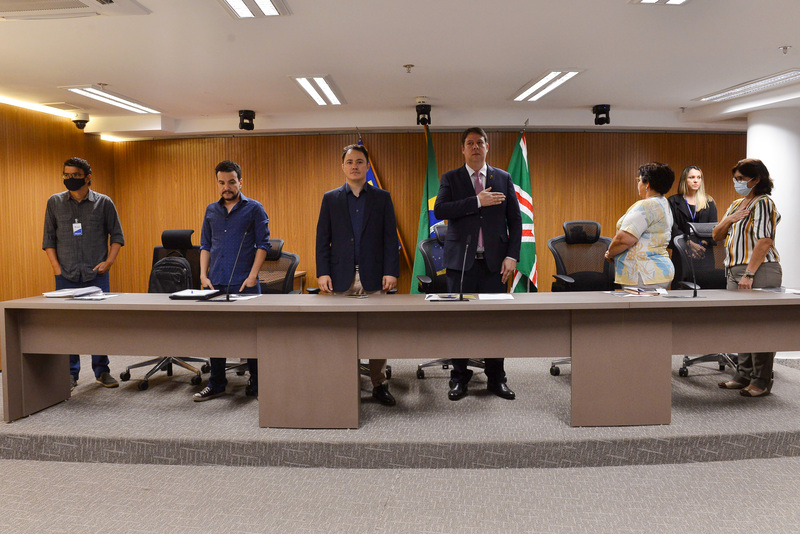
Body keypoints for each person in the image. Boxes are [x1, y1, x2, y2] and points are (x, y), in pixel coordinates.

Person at [433, 127, 522, 401]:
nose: (475, 147)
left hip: (495, 264)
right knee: (459, 322)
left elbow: (515, 220)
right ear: (462, 149)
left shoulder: (503, 178)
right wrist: (476, 201)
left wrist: (512, 255)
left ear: (487, 147)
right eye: (470, 143)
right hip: (460, 264)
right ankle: (459, 378)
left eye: (480, 142)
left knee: (495, 322)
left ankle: (496, 378)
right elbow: (440, 210)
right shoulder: (451, 178)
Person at [315, 144, 400, 406]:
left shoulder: (382, 197)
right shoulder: (331, 198)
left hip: (375, 276)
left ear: (367, 166)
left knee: (377, 333)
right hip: (340, 277)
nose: (355, 166)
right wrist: (322, 272)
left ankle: (379, 384)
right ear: (343, 166)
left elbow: (390, 238)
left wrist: (391, 271)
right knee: (343, 333)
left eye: (360, 162)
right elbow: (322, 239)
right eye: (350, 162)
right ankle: (346, 383)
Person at [43, 157, 124, 391]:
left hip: (96, 275)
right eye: (66, 175)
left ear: (88, 177)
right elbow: (48, 239)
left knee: (99, 324)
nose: (70, 179)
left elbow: (117, 236)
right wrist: (57, 269)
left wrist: (109, 262)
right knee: (68, 326)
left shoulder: (103, 203)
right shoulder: (55, 202)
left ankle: (102, 370)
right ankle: (70, 373)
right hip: (65, 275)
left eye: (75, 175)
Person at [193, 160, 270, 401]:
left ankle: (257, 382)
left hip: (245, 283)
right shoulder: (211, 210)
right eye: (221, 182)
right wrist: (203, 275)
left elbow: (263, 245)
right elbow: (205, 246)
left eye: (231, 182)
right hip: (216, 282)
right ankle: (216, 383)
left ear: (240, 182)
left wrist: (253, 275)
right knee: (217, 334)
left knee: (252, 335)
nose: (226, 187)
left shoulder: (254, 209)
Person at [712, 158, 782, 397]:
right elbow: (716, 234)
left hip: (758, 270)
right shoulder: (736, 204)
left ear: (756, 179)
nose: (737, 182)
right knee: (741, 323)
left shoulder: (764, 203)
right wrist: (729, 219)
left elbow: (765, 241)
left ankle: (761, 380)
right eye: (736, 178)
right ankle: (742, 375)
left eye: (741, 178)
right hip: (734, 270)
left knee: (759, 325)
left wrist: (749, 274)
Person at [605, 162, 675, 290]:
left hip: (643, 274)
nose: (638, 184)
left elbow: (623, 240)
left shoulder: (646, 206)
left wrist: (610, 253)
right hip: (659, 272)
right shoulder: (664, 203)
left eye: (639, 180)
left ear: (647, 184)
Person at [667, 165, 718, 285]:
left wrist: (701, 246)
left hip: (704, 254)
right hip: (682, 253)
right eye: (692, 177)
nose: (696, 181)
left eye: (699, 177)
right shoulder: (673, 201)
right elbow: (673, 228)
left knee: (706, 290)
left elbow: (713, 228)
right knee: (681, 289)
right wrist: (689, 244)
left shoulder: (709, 201)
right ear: (684, 180)